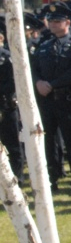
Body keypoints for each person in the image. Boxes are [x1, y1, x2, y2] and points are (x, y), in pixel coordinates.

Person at [32, 2, 71, 195]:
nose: (53, 24)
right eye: (51, 21)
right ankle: (52, 178)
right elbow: (32, 69)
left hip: (69, 100)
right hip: (48, 101)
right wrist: (38, 82)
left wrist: (52, 84)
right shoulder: (44, 46)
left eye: (57, 21)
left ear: (67, 22)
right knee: (49, 141)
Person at [0, 23, 24, 183]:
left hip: (5, 105)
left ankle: (18, 177)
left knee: (12, 144)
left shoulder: (7, 57)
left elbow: (15, 81)